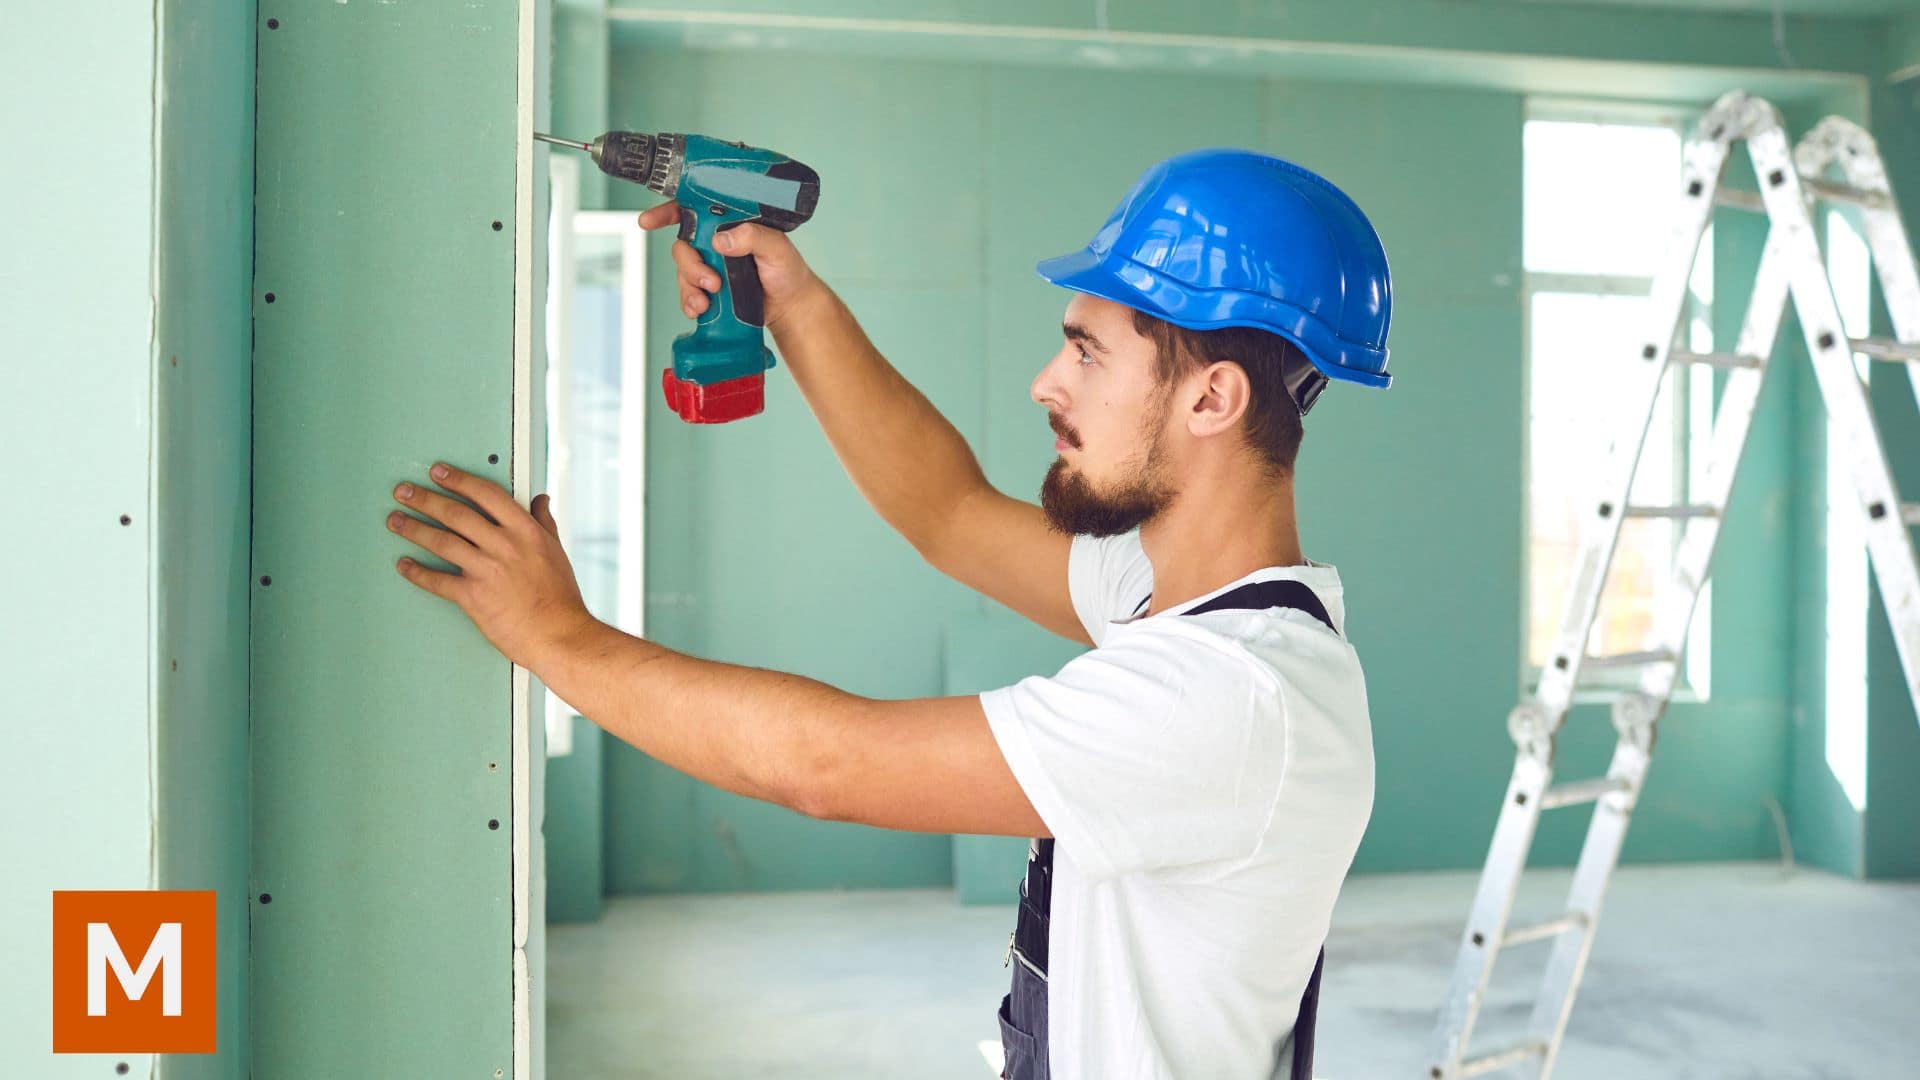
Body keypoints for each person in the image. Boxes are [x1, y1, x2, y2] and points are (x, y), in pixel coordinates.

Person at [382, 148, 1392, 1079]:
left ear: (1210, 401)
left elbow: (826, 765)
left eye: (1086, 353)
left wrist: (555, 637)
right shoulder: (1180, 600)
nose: (1048, 381)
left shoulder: (1226, 697)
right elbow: (948, 513)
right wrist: (794, 305)